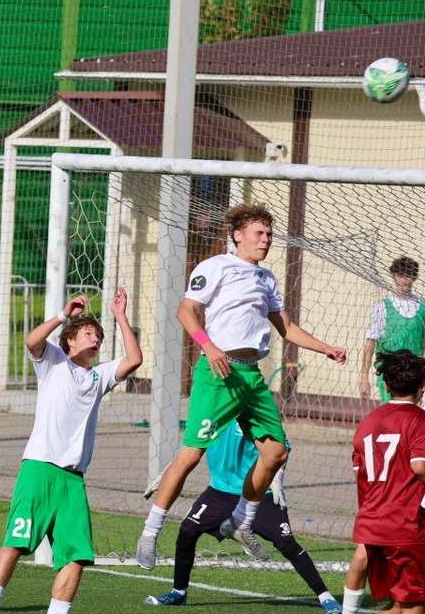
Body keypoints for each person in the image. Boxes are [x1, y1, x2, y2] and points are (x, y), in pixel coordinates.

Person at [137, 204, 347, 570]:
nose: (266, 240)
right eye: (259, 233)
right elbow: (185, 310)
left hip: (251, 377)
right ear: (238, 235)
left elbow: (287, 328)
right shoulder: (216, 266)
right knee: (191, 455)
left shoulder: (266, 278)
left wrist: (326, 348)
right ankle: (151, 531)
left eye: (269, 234)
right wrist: (208, 346)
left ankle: (239, 521)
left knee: (276, 453)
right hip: (218, 373)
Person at [0, 289, 142, 614]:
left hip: (73, 480)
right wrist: (63, 315)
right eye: (88, 334)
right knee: (16, 543)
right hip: (39, 469)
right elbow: (31, 340)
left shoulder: (99, 376)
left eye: (98, 336)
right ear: (69, 340)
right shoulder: (52, 361)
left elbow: (134, 359)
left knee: (77, 556)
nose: (95, 339)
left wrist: (120, 316)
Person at [142, 418, 342, 614]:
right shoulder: (212, 413)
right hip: (219, 492)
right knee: (188, 529)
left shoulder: (254, 411)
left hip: (257, 491)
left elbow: (283, 447)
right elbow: (189, 448)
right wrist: (167, 473)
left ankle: (325, 597)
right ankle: (179, 592)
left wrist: (277, 478)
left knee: (286, 542)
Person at [341, 349, 425, 614]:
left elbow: (361, 473)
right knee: (416, 604)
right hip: (404, 526)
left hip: (372, 524)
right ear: (422, 386)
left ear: (386, 384)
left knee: (397, 601)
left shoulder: (369, 422)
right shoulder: (419, 421)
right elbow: (419, 465)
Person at [360, 256, 423, 403]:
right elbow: (370, 343)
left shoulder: (422, 307)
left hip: (415, 376)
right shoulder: (383, 307)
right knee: (392, 414)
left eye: (409, 275)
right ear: (394, 276)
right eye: (400, 275)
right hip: (390, 376)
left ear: (414, 277)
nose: (404, 280)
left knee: (413, 416)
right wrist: (364, 377)